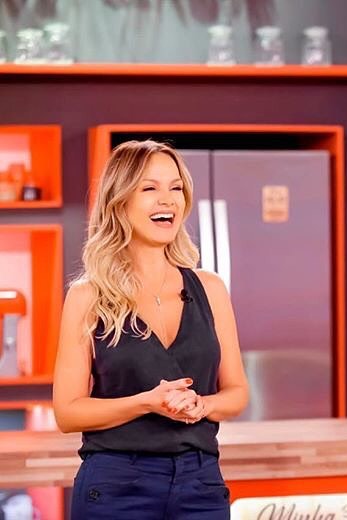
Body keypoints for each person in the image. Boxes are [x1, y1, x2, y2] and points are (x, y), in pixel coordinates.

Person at [53, 140, 249, 519]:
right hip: (116, 485)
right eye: (149, 188)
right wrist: (146, 402)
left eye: (176, 188)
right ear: (119, 201)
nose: (167, 200)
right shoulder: (87, 296)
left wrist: (202, 405)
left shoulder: (210, 288)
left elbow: (237, 392)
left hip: (200, 483)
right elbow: (68, 412)